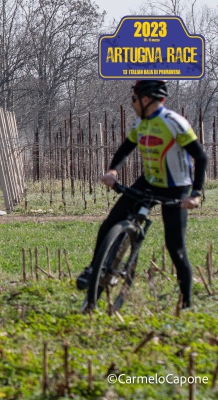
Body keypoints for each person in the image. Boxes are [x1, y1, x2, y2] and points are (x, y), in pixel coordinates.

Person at [76, 80, 207, 309]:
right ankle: (95, 268)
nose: (132, 104)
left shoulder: (174, 122)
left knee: (175, 248)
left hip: (176, 187)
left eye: (134, 99)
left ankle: (186, 304)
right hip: (149, 182)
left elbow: (201, 157)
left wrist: (195, 194)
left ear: (145, 100)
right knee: (110, 222)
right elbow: (126, 147)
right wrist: (113, 170)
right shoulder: (142, 123)